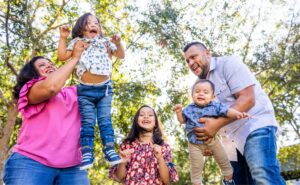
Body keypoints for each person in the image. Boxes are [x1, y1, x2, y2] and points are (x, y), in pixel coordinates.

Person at [182, 41, 286, 185]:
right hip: (229, 143)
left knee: (263, 176)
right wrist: (206, 142)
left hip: (254, 126)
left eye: (194, 57)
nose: (191, 63)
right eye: (187, 61)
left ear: (207, 53)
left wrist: (215, 125)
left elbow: (248, 99)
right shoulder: (200, 88)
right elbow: (206, 121)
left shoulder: (228, 64)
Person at [2, 41, 90, 185]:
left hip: (73, 169)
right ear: (33, 73)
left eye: (50, 63)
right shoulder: (31, 89)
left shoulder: (74, 92)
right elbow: (51, 87)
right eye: (42, 65)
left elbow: (98, 86)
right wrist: (74, 58)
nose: (49, 65)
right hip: (30, 163)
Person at [57, 13, 125, 169]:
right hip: (85, 91)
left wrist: (119, 43)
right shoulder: (77, 42)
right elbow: (61, 56)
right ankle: (87, 152)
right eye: (89, 23)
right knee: (87, 122)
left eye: (96, 23)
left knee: (105, 120)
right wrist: (62, 38)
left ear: (100, 29)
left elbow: (120, 55)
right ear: (81, 28)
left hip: (105, 90)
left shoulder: (106, 42)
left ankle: (109, 149)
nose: (94, 25)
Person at [174, 79, 249, 185]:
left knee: (224, 161)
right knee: (196, 166)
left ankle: (228, 180)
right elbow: (182, 120)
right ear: (192, 95)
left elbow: (227, 111)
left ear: (213, 97)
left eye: (205, 92)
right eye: (197, 91)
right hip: (194, 144)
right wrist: (178, 112)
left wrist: (238, 114)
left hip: (212, 141)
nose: (201, 93)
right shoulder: (188, 109)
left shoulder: (215, 106)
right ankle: (197, 183)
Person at [109, 105, 179, 184]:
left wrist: (160, 158)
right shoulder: (127, 146)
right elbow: (119, 177)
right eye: (142, 115)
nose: (146, 116)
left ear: (155, 123)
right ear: (136, 121)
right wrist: (122, 162)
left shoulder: (163, 147)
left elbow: (166, 180)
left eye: (150, 115)